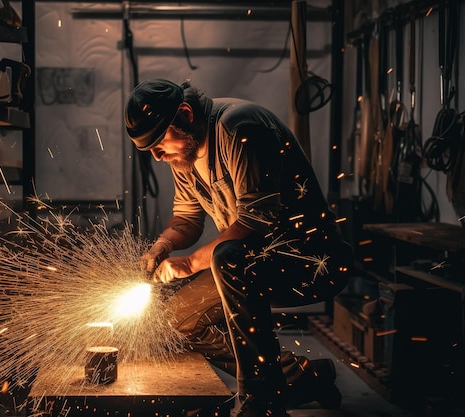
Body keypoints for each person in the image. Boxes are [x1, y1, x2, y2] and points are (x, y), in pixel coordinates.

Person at [124, 79, 352, 417]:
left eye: (159, 144)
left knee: (227, 257)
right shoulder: (183, 155)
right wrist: (163, 245)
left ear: (185, 114)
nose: (158, 156)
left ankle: (262, 402)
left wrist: (188, 265)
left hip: (309, 262)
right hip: (247, 263)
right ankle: (303, 378)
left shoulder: (238, 127)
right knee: (175, 321)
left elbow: (255, 223)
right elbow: (187, 218)